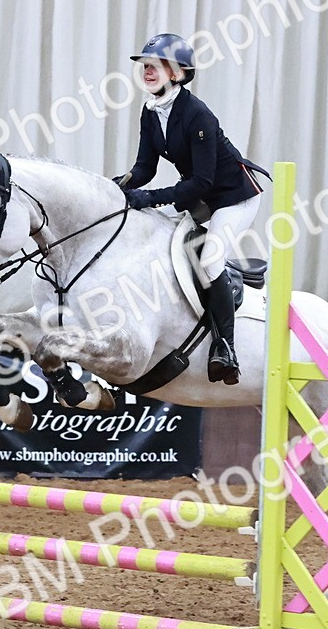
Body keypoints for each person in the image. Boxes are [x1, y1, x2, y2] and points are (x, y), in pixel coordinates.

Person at [112, 33, 268, 386]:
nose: (148, 71)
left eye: (157, 65)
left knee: (210, 260)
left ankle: (225, 348)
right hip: (202, 195)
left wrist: (150, 199)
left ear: (179, 73)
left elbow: (201, 182)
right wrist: (117, 187)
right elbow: (145, 169)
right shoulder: (151, 111)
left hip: (233, 197)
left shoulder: (198, 115)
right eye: (146, 65)